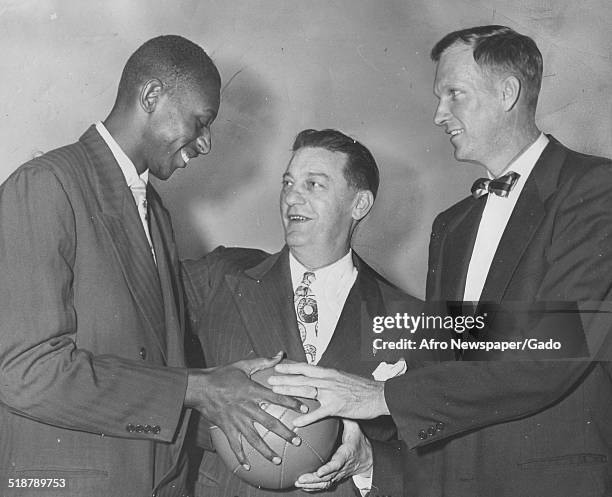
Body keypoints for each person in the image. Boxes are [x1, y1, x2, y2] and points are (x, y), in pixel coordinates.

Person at [268, 26, 612, 496]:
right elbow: (444, 371)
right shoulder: (453, 226)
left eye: (454, 94)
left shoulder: (594, 189)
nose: (438, 114)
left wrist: (381, 397)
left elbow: (555, 345)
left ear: (508, 93)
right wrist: (371, 453)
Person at [0, 35, 303, 497]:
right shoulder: (46, 185)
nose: (206, 143)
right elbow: (25, 372)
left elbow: (151, 372)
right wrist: (197, 387)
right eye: (200, 122)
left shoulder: (155, 211)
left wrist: (231, 399)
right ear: (151, 96)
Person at [182, 129, 422, 497]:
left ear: (359, 205)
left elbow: (441, 458)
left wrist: (369, 461)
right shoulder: (220, 275)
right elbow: (140, 337)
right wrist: (211, 418)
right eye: (288, 183)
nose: (292, 196)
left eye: (314, 184)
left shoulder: (409, 318)